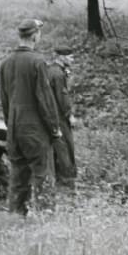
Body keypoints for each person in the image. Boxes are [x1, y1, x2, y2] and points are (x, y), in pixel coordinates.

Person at [0, 18, 61, 214]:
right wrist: (54, 128)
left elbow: (4, 101)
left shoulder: (6, 63)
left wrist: (12, 125)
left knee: (18, 180)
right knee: (44, 177)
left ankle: (17, 220)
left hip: (14, 129)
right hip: (35, 131)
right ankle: (47, 222)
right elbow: (45, 99)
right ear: (35, 35)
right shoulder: (38, 62)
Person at [48, 46, 77, 188]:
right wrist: (69, 115)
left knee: (55, 148)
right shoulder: (58, 75)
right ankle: (66, 181)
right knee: (66, 147)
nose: (72, 59)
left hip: (50, 115)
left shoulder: (50, 70)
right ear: (61, 57)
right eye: (70, 57)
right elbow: (62, 97)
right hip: (59, 116)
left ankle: (57, 178)